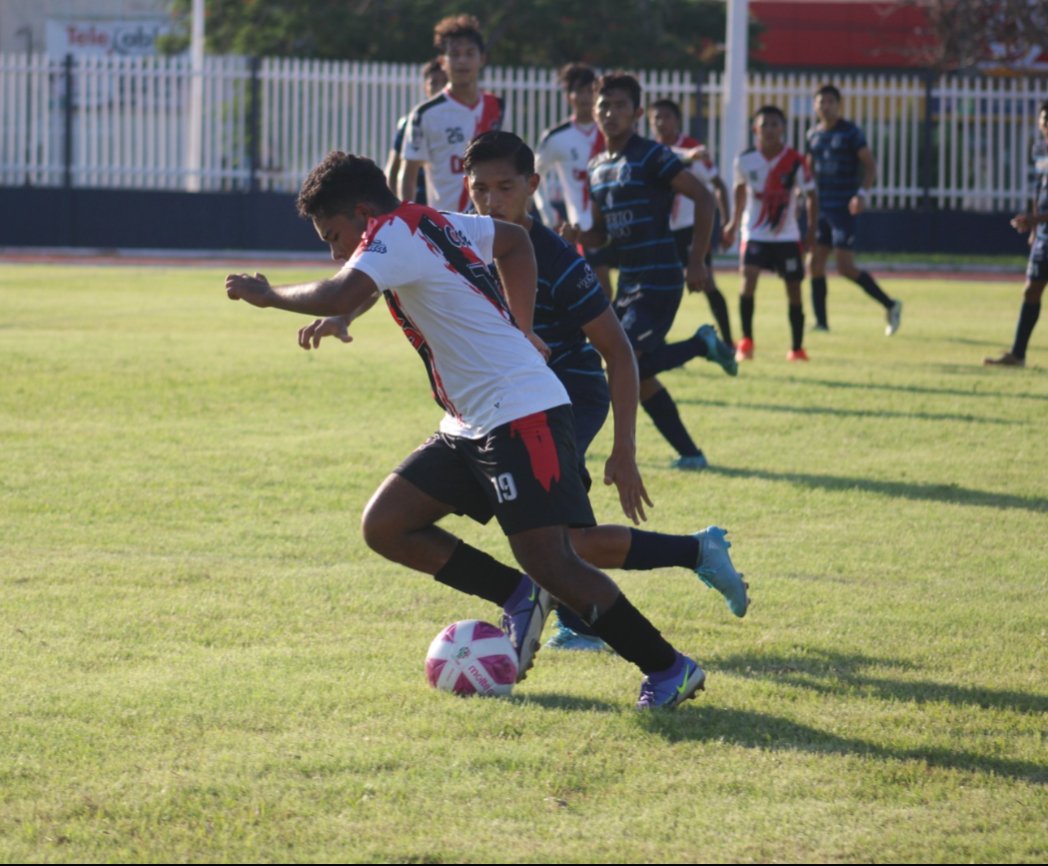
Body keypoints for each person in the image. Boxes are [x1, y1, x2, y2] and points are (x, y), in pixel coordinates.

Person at [226, 150, 711, 709]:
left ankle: (669, 667)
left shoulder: (395, 232)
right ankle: (517, 594)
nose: (336, 252)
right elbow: (515, 243)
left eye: (334, 235)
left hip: (521, 413)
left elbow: (342, 289)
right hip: (471, 421)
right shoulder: (430, 221)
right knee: (386, 524)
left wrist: (269, 296)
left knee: (555, 559)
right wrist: (518, 325)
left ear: (363, 212)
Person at [298, 132, 749, 654]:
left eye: (504, 188)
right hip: (493, 408)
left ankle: (629, 613)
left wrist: (624, 448)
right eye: (480, 189)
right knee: (554, 540)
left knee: (559, 543)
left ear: (533, 185)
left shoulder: (557, 259)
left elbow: (619, 355)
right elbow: (392, 271)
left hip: (565, 394)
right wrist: (344, 313)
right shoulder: (462, 233)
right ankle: (688, 556)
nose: (491, 201)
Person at [563, 72, 737, 472]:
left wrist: (696, 259)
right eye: (604, 106)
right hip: (629, 283)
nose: (611, 113)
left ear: (637, 112)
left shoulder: (653, 155)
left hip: (660, 276)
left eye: (620, 105)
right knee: (636, 379)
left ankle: (702, 344)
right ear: (594, 111)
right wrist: (577, 234)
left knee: (624, 364)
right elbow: (603, 236)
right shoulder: (597, 167)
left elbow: (704, 198)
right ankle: (691, 453)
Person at [723, 105, 818, 362]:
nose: (770, 130)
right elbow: (740, 192)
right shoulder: (744, 159)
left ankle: (797, 348)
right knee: (748, 282)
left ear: (783, 129)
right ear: (755, 129)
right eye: (764, 125)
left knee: (794, 289)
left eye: (775, 124)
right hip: (754, 233)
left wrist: (810, 229)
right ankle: (746, 342)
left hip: (787, 237)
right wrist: (732, 224)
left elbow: (811, 195)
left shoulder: (795, 161)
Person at [806, 84, 903, 336]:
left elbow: (870, 166)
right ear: (815, 106)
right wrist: (802, 193)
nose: (825, 106)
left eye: (830, 102)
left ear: (838, 105)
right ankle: (821, 323)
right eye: (821, 102)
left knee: (845, 267)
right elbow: (808, 171)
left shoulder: (851, 133)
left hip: (842, 209)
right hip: (822, 209)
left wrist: (861, 194)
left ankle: (890, 304)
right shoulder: (813, 135)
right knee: (815, 263)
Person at [648, 97, 736, 347]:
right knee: (659, 286)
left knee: (706, 282)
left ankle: (729, 341)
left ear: (677, 120)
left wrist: (727, 221)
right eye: (657, 118)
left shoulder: (692, 147)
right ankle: (657, 344)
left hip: (691, 230)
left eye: (667, 117)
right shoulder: (650, 151)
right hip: (662, 231)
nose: (662, 122)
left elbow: (717, 184)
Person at [396, 14, 504, 211]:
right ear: (442, 62)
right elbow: (408, 173)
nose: (462, 61)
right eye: (454, 54)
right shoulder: (425, 114)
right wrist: (407, 216)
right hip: (445, 225)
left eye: (470, 53)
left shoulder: (496, 106)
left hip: (490, 223)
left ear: (482, 59)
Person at [986, 97, 1048, 367]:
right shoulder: (1040, 149)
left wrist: (1035, 219)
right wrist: (1035, 228)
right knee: (1031, 291)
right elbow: (1038, 190)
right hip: (1044, 237)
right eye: (1045, 119)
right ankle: (1017, 355)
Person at [532, 63, 614, 296]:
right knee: (599, 289)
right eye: (580, 91)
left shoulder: (612, 132)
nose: (586, 97)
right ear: (569, 97)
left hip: (617, 224)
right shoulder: (557, 137)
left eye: (591, 90)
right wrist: (546, 212)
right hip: (585, 226)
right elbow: (535, 175)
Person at [384, 59, 448, 206]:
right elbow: (394, 169)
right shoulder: (412, 123)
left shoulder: (462, 121)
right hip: (418, 205)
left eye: (444, 82)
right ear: (426, 87)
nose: (439, 88)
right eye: (434, 83)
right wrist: (397, 208)